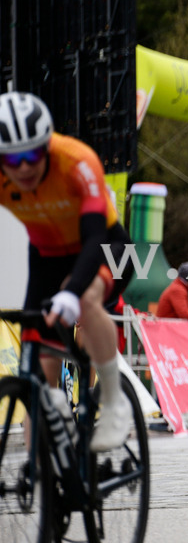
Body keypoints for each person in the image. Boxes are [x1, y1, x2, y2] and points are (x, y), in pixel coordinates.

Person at [0, 91, 132, 452]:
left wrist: (72, 291)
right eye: (14, 158)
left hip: (105, 248)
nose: (24, 166)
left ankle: (113, 399)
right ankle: (43, 474)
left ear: (48, 146)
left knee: (87, 300)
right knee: (39, 379)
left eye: (33, 155)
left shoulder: (77, 161)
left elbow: (94, 240)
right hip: (47, 256)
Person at [156, 262, 188, 328]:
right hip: (167, 329)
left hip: (167, 327)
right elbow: (184, 313)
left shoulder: (178, 287)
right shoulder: (178, 290)